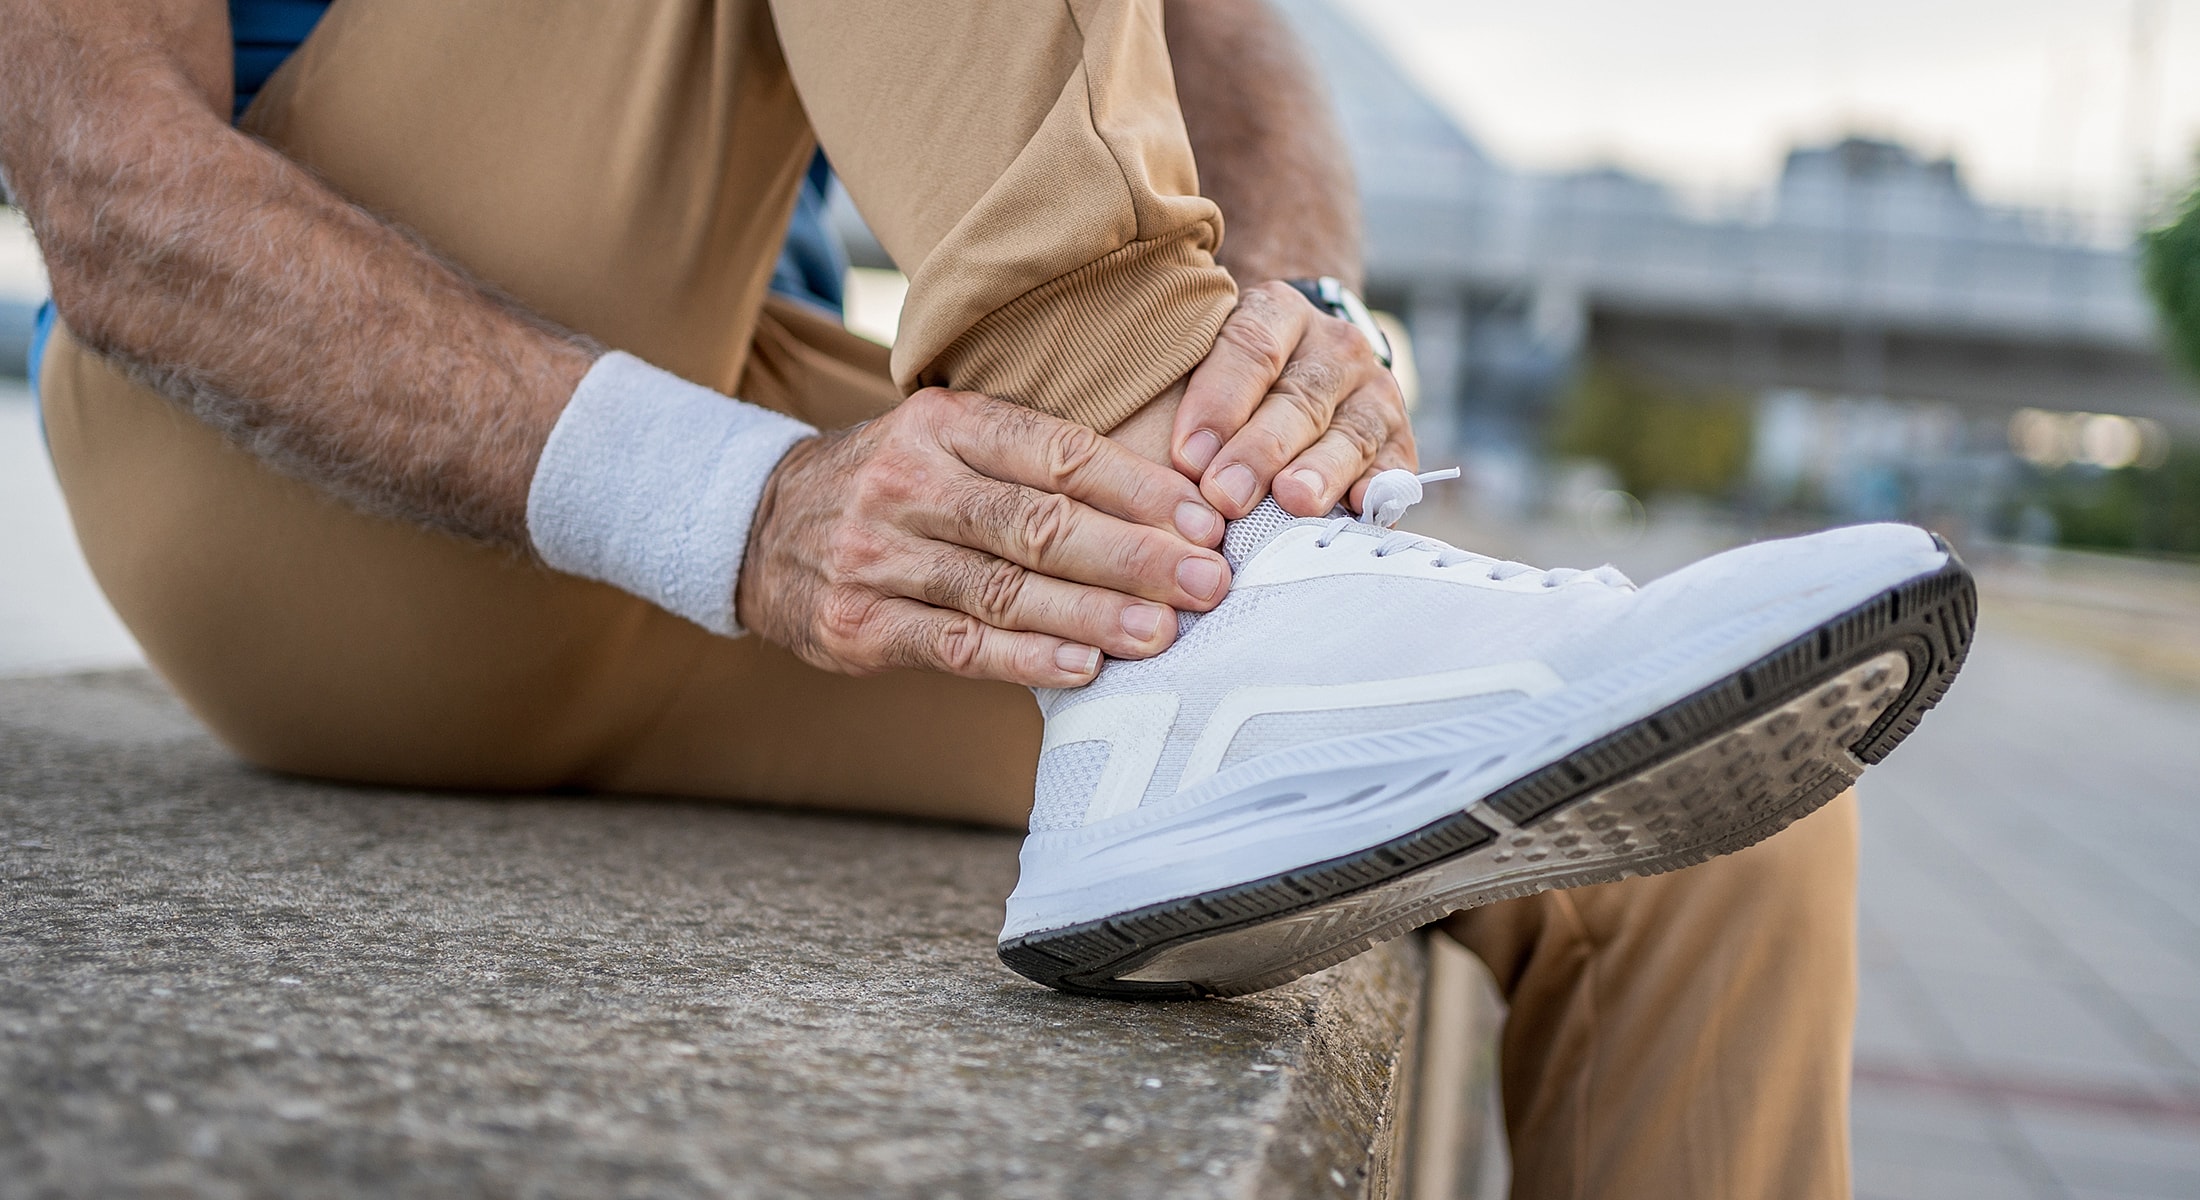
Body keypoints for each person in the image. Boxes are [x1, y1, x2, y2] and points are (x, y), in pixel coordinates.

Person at [0, 1, 1974, 1195]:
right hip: (299, 484)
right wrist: (745, 510)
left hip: (731, 462)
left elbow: (1202, 33)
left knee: (1709, 813)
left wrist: (1290, 335)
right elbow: (102, 177)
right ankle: (1156, 456)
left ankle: (1211, 584)